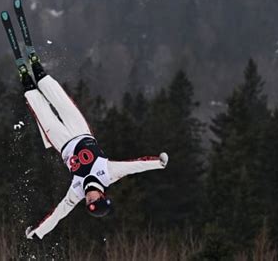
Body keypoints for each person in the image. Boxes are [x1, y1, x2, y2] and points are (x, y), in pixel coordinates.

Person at [20, 55, 169, 240]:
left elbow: (59, 214)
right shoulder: (108, 173)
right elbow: (135, 165)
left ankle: (27, 83)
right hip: (80, 131)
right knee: (61, 101)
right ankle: (39, 71)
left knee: (43, 113)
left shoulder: (76, 192)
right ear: (101, 195)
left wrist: (38, 232)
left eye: (89, 203)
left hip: (62, 142)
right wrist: (159, 162)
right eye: (94, 201)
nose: (89, 199)